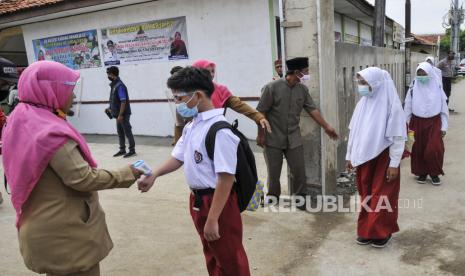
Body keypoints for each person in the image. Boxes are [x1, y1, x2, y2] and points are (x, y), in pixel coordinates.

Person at [2, 61, 143, 276]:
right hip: (66, 235)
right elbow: (83, 179)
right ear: (51, 90)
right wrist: (127, 173)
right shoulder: (50, 133)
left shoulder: (19, 120)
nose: (73, 97)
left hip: (43, 227)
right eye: (69, 90)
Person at [137, 66, 251, 276]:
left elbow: (225, 178)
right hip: (198, 201)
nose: (177, 104)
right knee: (212, 253)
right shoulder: (192, 125)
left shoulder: (220, 131)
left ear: (197, 95)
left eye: (179, 98)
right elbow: (177, 157)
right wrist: (154, 175)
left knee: (230, 257)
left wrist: (214, 218)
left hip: (218, 202)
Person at [257, 57, 338, 205]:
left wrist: (326, 126)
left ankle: (300, 199)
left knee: (299, 170)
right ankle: (273, 197)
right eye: (305, 71)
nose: (307, 74)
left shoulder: (302, 90)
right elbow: (260, 112)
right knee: (273, 172)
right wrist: (261, 135)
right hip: (272, 136)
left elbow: (312, 109)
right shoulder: (271, 87)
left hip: (293, 136)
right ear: (296, 72)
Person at [346, 67, 406, 248]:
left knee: (383, 196)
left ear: (377, 84)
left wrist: (394, 163)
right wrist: (350, 155)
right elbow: (353, 133)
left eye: (364, 83)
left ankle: (381, 232)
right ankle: (366, 230)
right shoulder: (362, 104)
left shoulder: (392, 106)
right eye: (360, 83)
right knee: (366, 194)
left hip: (384, 158)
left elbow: (397, 136)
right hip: (364, 158)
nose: (361, 87)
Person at [191, 59, 272, 145]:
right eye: (207, 72)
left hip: (214, 132)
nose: (211, 74)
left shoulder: (220, 89)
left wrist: (258, 117)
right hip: (194, 132)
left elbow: (239, 105)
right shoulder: (189, 92)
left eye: (213, 71)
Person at [404, 62, 448, 186]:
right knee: (418, 149)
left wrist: (444, 126)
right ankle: (422, 173)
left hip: (434, 122)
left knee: (434, 148)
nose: (421, 76)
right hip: (416, 123)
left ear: (430, 74)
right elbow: (407, 107)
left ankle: (434, 173)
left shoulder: (437, 88)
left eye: (424, 73)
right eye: (419, 73)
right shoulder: (413, 88)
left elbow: (444, 109)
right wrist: (405, 126)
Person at [105, 66, 136, 158]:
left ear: (112, 74)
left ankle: (132, 150)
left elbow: (123, 101)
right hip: (117, 114)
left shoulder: (120, 86)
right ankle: (122, 149)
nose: (107, 76)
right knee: (120, 132)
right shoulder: (114, 85)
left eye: (108, 74)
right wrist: (110, 108)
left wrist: (121, 114)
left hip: (123, 114)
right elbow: (115, 100)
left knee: (127, 132)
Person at [169, 65, 192, 145]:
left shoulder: (189, 83)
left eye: (175, 76)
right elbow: (174, 95)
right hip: (179, 107)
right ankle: (178, 143)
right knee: (178, 125)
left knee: (191, 125)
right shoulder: (173, 85)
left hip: (190, 107)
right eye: (173, 76)